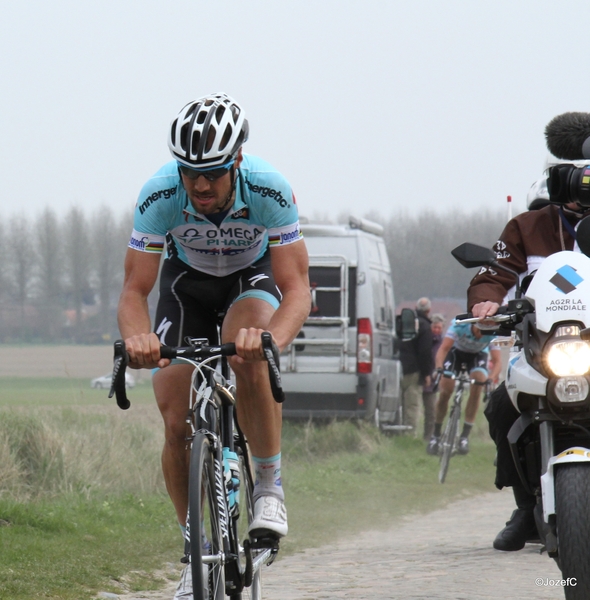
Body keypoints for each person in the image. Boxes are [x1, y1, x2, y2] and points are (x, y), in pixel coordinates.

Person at [117, 93, 311, 598]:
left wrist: (270, 340)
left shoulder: (269, 189)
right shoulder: (159, 195)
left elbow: (298, 289)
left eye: (214, 173)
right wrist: (137, 338)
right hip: (188, 286)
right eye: (190, 173)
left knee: (247, 354)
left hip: (251, 278)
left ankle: (268, 484)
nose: (200, 185)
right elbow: (136, 291)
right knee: (174, 418)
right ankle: (194, 550)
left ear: (237, 162)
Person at [469, 172, 590, 551]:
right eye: (574, 187)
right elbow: (495, 273)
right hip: (541, 346)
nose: (580, 197)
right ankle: (526, 506)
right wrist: (486, 302)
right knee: (503, 407)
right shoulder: (526, 226)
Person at [426, 319, 502, 455]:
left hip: (477, 355)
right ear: (473, 326)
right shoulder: (460, 325)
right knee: (446, 390)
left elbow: (497, 362)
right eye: (479, 331)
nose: (480, 336)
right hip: (455, 353)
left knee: (478, 383)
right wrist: (438, 368)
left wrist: (490, 379)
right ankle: (436, 435)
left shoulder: (492, 333)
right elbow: (443, 349)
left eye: (484, 333)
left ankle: (464, 436)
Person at [399, 297, 433, 435]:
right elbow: (425, 352)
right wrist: (426, 373)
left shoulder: (404, 323)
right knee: (411, 404)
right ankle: (408, 434)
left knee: (399, 403)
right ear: (429, 310)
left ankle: (395, 432)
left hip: (398, 367)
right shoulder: (425, 326)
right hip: (413, 370)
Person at [421, 313, 446, 441]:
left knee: (431, 411)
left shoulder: (444, 344)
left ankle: (429, 436)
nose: (436, 330)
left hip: (434, 381)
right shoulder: (425, 340)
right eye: (434, 327)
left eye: (439, 328)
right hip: (423, 377)